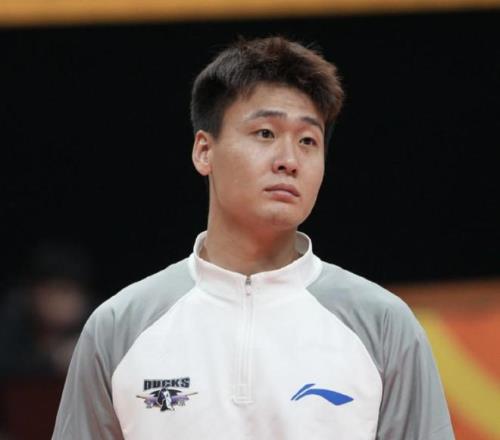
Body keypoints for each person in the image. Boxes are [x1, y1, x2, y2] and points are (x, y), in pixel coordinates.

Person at [53, 36, 454, 439]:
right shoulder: (119, 327)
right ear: (204, 151)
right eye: (265, 133)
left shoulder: (383, 326)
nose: (289, 160)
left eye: (308, 141)